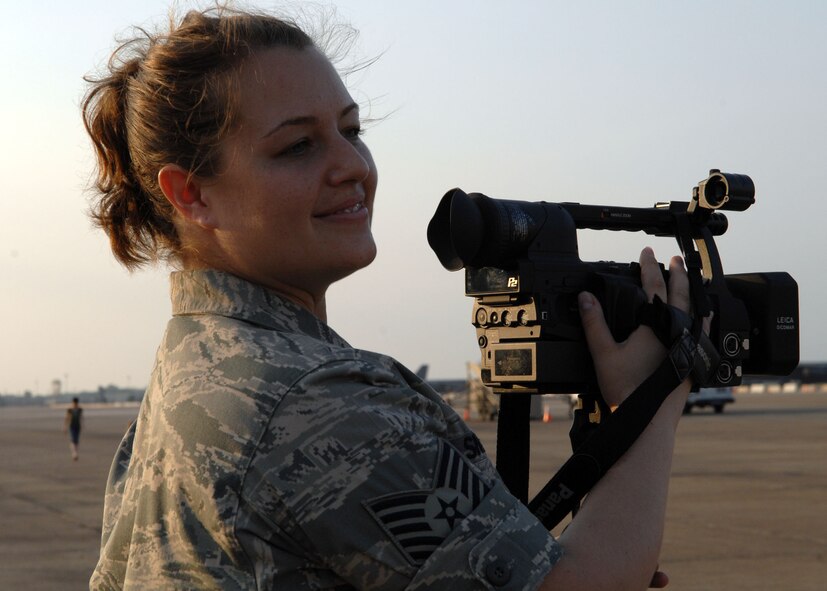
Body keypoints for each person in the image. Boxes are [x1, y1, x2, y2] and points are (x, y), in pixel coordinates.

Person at [83, 6, 694, 590]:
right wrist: (652, 395)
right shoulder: (313, 400)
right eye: (297, 146)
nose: (353, 165)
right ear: (192, 194)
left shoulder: (192, 373)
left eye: (352, 131)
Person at [64, 396, 83, 461]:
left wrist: (82, 425)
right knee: (73, 440)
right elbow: (67, 418)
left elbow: (81, 417)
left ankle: (75, 452)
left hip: (77, 426)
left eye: (76, 403)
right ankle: (74, 453)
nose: (75, 404)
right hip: (72, 426)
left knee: (76, 440)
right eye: (74, 403)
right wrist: (65, 427)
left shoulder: (80, 409)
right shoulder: (70, 410)